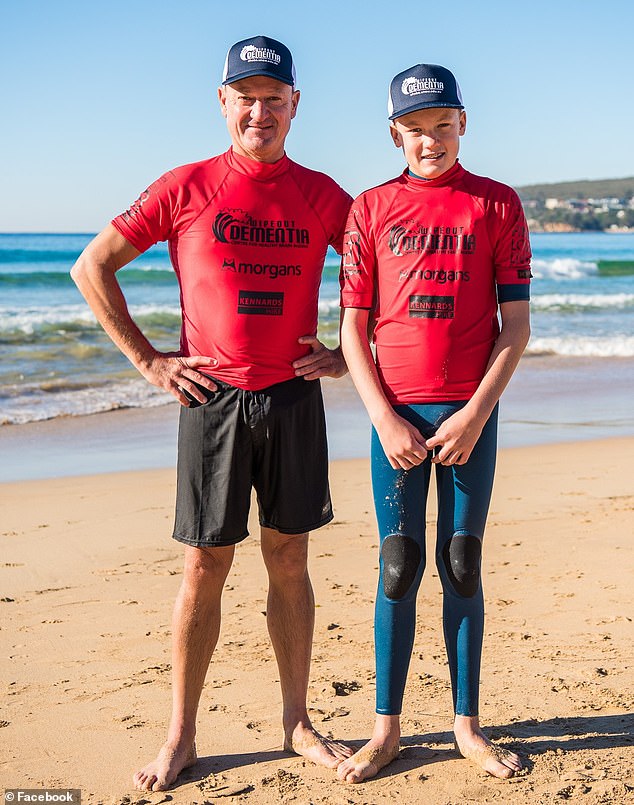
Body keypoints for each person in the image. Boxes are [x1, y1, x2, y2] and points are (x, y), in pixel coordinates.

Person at [71, 35, 353, 792]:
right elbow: (90, 265)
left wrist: (347, 353)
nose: (259, 110)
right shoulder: (185, 185)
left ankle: (296, 722)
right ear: (223, 102)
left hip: (293, 395)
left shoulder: (323, 194)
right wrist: (148, 359)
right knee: (204, 565)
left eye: (273, 97)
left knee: (290, 558)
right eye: (245, 96)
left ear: (296, 103)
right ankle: (182, 736)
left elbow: (381, 273)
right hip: (212, 398)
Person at [337, 63, 531, 783]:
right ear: (395, 133)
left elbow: (516, 327)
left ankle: (466, 727)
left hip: (469, 417)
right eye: (415, 130)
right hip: (397, 419)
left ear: (464, 123)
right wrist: (383, 417)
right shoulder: (370, 209)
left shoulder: (497, 205)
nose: (430, 142)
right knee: (398, 566)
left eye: (442, 126)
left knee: (461, 562)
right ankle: (385, 729)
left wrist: (478, 412)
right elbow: (354, 333)